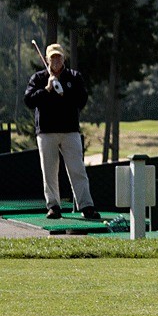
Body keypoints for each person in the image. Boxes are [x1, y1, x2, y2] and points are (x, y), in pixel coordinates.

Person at [24, 43, 100, 220]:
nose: (56, 60)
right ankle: (53, 206)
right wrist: (47, 89)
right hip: (46, 131)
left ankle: (86, 206)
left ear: (63, 58)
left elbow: (82, 100)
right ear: (48, 59)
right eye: (52, 58)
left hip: (70, 131)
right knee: (49, 171)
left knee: (77, 169)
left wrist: (64, 91)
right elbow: (29, 101)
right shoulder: (39, 78)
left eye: (58, 57)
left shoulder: (74, 77)